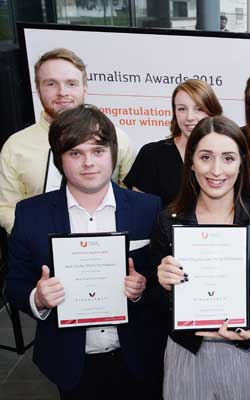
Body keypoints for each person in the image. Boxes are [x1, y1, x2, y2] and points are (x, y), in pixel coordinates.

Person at [6, 105, 161, 400]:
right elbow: (14, 283)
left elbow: (161, 276)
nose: (89, 162)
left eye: (98, 151)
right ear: (58, 159)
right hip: (71, 362)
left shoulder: (148, 208)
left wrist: (143, 286)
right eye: (75, 153)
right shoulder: (30, 214)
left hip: (140, 356)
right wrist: (37, 298)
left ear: (113, 153)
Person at [152, 115, 250, 400]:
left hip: (247, 352)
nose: (216, 170)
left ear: (241, 163)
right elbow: (154, 301)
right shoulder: (168, 221)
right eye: (205, 157)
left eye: (228, 158)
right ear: (191, 162)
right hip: (187, 352)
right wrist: (163, 284)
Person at [0, 48, 135, 233]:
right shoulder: (15, 147)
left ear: (85, 88)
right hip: (40, 254)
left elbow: (131, 198)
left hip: (108, 251)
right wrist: (37, 236)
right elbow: (5, 207)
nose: (62, 92)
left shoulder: (118, 139)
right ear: (38, 90)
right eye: (51, 84)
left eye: (71, 83)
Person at [124, 79, 223, 207]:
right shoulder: (152, 155)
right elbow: (141, 212)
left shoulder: (228, 156)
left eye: (198, 109)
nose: (189, 117)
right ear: (174, 112)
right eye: (182, 109)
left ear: (212, 111)